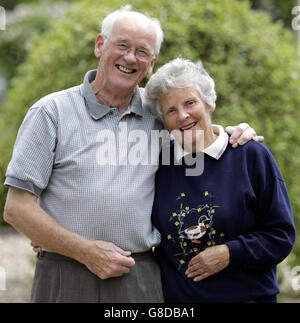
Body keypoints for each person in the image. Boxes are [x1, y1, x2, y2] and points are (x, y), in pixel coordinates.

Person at [3, 6, 262, 303]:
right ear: (100, 45)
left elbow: (195, 129)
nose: (130, 58)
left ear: (151, 64)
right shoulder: (51, 113)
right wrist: (83, 251)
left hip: (139, 276)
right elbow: (17, 208)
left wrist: (234, 131)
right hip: (66, 272)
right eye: (122, 45)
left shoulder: (158, 114)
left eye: (142, 52)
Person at [145, 57, 296, 303]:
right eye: (171, 110)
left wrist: (229, 253)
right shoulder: (160, 164)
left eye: (190, 103)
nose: (182, 115)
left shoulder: (250, 155)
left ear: (209, 103)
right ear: (163, 120)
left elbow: (281, 236)